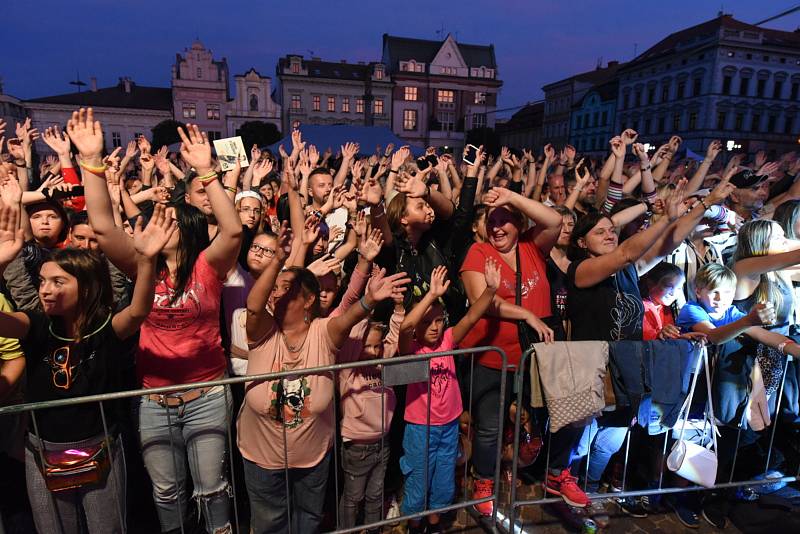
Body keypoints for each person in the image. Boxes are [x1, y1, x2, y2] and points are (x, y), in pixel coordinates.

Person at [72, 109, 243, 534]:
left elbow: (234, 231)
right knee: (167, 492)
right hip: (154, 400)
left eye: (166, 222)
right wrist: (92, 163)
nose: (155, 226)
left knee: (211, 489)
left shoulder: (207, 266)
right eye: (153, 221)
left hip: (205, 394)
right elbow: (102, 226)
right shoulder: (142, 265)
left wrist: (206, 172)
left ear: (184, 230)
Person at [0, 194, 175, 534]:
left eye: (58, 282)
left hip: (101, 448)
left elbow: (138, 311)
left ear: (87, 287)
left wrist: (147, 261)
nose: (46, 291)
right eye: (43, 282)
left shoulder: (105, 328)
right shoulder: (35, 324)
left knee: (106, 528)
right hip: (43, 452)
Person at [237, 223, 408, 534]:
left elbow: (349, 314)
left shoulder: (324, 333)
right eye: (274, 287)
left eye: (284, 288)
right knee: (269, 523)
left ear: (308, 300)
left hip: (313, 458)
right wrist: (278, 261)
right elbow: (253, 305)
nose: (276, 293)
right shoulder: (262, 332)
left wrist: (370, 299)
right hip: (261, 457)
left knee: (308, 521)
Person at [459, 185, 562, 515]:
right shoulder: (478, 253)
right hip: (491, 357)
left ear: (520, 224)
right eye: (492, 221)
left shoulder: (533, 247)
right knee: (489, 426)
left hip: (531, 358)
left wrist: (512, 197)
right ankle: (485, 479)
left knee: (531, 423)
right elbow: (483, 301)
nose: (497, 227)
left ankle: (515, 468)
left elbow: (555, 221)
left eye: (506, 220)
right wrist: (527, 313)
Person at [398, 261, 500, 533]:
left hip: (448, 424)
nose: (434, 327)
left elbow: (471, 318)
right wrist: (430, 296)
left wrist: (490, 290)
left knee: (444, 479)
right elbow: (406, 326)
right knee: (419, 478)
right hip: (421, 427)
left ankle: (434, 523)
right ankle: (414, 524)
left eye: (439, 320)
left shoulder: (447, 341)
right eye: (428, 322)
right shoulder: (413, 349)